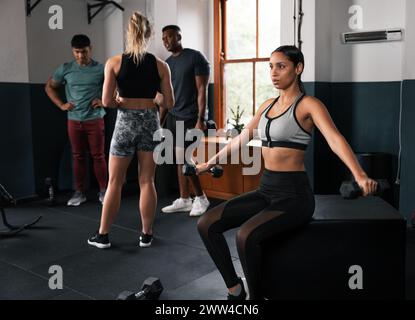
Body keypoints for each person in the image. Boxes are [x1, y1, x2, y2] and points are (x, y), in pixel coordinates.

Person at [195, 45, 378, 300]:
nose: (273, 72)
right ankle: (235, 289)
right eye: (270, 66)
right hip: (266, 190)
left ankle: (257, 299)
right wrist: (209, 162)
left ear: (298, 68)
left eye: (280, 66)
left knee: (245, 236)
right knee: (206, 224)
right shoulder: (267, 106)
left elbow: (335, 139)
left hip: (294, 196)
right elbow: (241, 139)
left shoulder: (309, 105)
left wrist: (359, 174)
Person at [87, 11, 174, 249]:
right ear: (149, 35)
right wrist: (155, 97)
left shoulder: (114, 62)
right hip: (150, 122)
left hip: (125, 123)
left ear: (129, 34)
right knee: (147, 180)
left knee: (115, 181)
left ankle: (103, 236)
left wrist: (120, 100)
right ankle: (146, 235)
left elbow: (106, 102)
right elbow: (169, 103)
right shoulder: (160, 65)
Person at [45, 34, 108, 206]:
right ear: (73, 51)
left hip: (94, 119)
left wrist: (104, 102)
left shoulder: (101, 68)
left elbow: (116, 88)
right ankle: (79, 192)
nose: (81, 56)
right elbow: (49, 86)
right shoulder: (66, 68)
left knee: (98, 156)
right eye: (77, 52)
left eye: (84, 52)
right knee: (78, 156)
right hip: (74, 120)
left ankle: (104, 191)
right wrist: (61, 105)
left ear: (90, 49)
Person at [160, 25, 211, 217]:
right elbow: (166, 95)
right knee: (178, 159)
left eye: (169, 37)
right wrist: (160, 120)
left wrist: (201, 118)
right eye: (163, 38)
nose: (166, 41)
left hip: (190, 117)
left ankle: (201, 198)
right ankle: (184, 199)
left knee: (185, 158)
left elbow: (202, 90)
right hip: (173, 116)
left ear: (179, 36)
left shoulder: (195, 57)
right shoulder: (165, 64)